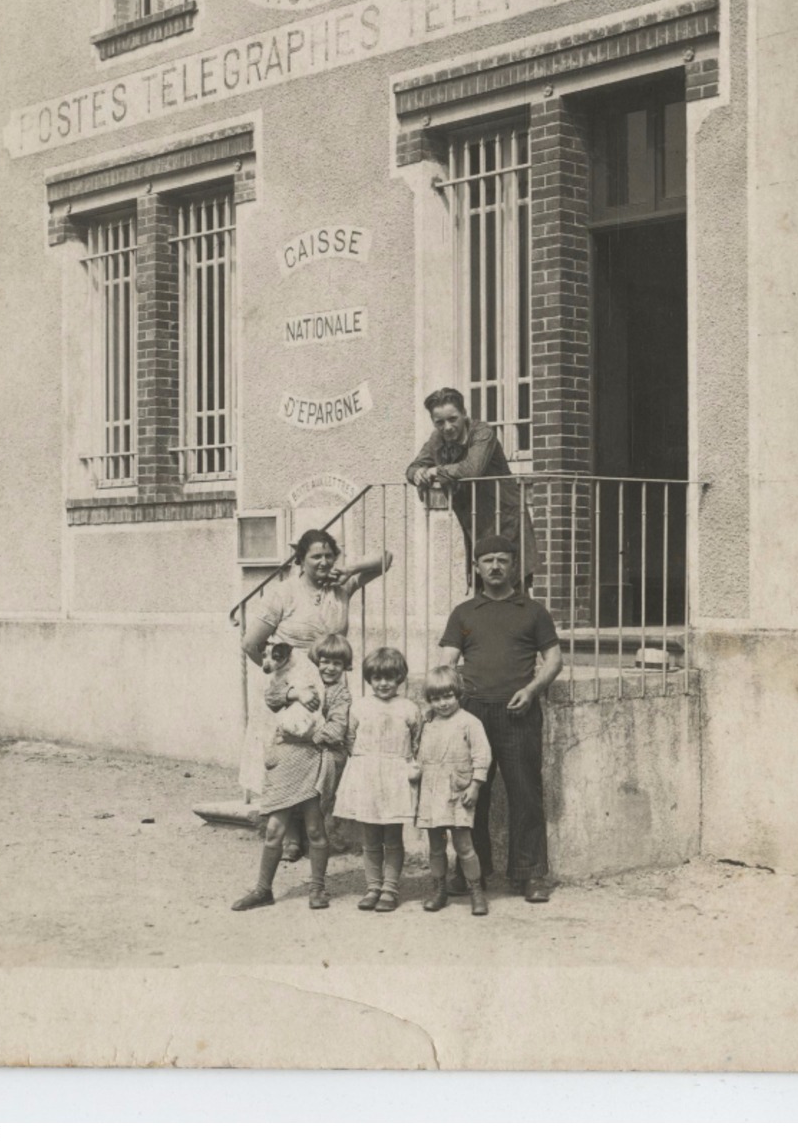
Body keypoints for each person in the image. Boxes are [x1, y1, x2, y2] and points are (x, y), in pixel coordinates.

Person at [239, 528, 392, 856]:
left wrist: (349, 570)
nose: (323, 562)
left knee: (326, 752)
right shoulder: (284, 593)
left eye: (328, 555)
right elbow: (251, 644)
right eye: (315, 556)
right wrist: (282, 680)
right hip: (294, 686)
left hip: (332, 680)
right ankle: (292, 834)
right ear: (301, 560)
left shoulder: (343, 587)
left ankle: (319, 828)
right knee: (291, 754)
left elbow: (386, 560)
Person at [439, 533, 563, 902]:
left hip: (518, 711)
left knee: (525, 793)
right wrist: (453, 701)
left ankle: (530, 875)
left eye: (502, 560)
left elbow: (554, 660)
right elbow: (447, 662)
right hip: (472, 714)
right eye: (487, 560)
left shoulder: (533, 611)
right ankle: (469, 870)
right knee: (470, 793)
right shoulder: (463, 613)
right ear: (476, 567)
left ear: (514, 566)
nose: (495, 566)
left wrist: (532, 690)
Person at [232, 639, 332, 911]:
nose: (268, 663)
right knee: (275, 828)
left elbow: (323, 713)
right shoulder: (279, 677)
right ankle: (263, 890)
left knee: (314, 828)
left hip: (310, 754)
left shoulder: (310, 672)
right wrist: (295, 695)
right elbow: (272, 698)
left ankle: (317, 889)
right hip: (285, 755)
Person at [406, 387, 537, 588]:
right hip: (476, 523)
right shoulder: (437, 440)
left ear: (464, 414)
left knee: (511, 592)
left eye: (453, 419)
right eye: (439, 422)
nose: (447, 427)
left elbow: (472, 469)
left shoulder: (483, 433)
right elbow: (413, 467)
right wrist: (417, 474)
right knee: (482, 594)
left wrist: (433, 472)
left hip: (506, 520)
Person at [333, 646, 421, 912]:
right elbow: (349, 739)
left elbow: (416, 741)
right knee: (370, 838)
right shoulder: (359, 706)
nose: (383, 684)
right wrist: (365, 765)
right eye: (377, 678)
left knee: (393, 837)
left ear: (399, 678)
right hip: (367, 776)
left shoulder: (408, 708)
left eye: (390, 678)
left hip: (395, 778)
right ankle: (372, 886)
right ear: (369, 679)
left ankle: (390, 888)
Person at [415, 664, 492, 916]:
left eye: (447, 696)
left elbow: (482, 756)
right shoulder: (427, 723)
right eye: (436, 698)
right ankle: (439, 890)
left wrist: (476, 785)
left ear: (458, 694)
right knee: (436, 846)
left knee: (464, 845)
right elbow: (418, 752)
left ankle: (476, 891)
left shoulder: (470, 723)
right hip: (431, 791)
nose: (443, 703)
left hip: (458, 792)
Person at [306, 632, 353, 821]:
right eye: (325, 662)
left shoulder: (341, 694)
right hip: (306, 748)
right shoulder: (306, 686)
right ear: (316, 662)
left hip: (327, 749)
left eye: (337, 663)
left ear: (344, 666)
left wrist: (311, 736)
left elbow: (337, 728)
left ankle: (321, 837)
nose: (330, 668)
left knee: (322, 798)